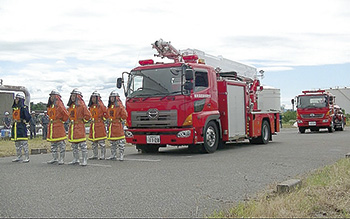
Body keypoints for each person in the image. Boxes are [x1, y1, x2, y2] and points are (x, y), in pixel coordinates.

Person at [67, 88, 91, 166]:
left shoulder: (82, 105)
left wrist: (82, 121)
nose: (72, 97)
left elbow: (88, 115)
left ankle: (84, 160)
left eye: (74, 96)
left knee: (82, 144)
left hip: (79, 126)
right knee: (74, 145)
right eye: (72, 96)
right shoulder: (71, 106)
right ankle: (76, 159)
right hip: (72, 126)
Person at [46, 90, 69, 165]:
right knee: (53, 144)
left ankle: (61, 159)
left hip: (58, 125)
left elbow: (66, 114)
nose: (51, 97)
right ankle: (55, 158)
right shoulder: (50, 106)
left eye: (53, 96)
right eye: (50, 96)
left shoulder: (59, 105)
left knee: (61, 143)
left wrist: (61, 121)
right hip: (52, 126)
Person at [106, 91, 127, 161]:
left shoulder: (119, 106)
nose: (112, 99)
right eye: (111, 97)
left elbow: (124, 115)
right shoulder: (109, 106)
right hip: (111, 126)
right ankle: (113, 155)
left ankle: (121, 155)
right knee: (113, 142)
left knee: (120, 142)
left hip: (118, 125)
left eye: (113, 97)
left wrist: (119, 119)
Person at [11, 93, 31, 163]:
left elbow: (28, 117)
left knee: (23, 142)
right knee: (17, 143)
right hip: (15, 126)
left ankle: (27, 157)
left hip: (21, 126)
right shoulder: (14, 108)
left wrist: (25, 121)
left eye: (17, 98)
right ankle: (19, 157)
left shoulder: (24, 108)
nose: (16, 100)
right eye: (15, 98)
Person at [88, 91, 107, 160]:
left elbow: (106, 114)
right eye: (92, 97)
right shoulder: (91, 107)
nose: (93, 99)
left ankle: (103, 155)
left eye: (94, 97)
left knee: (101, 142)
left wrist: (102, 119)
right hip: (93, 125)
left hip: (99, 125)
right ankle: (95, 155)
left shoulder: (101, 106)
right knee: (93, 142)